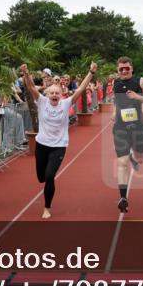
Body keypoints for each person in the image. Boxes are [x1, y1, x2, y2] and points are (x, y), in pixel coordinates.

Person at [19, 61, 97, 219]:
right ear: (48, 95)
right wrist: (26, 73)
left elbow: (80, 89)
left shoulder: (66, 103)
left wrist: (91, 72)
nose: (54, 95)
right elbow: (32, 87)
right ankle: (45, 183)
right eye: (52, 93)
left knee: (49, 176)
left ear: (61, 95)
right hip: (42, 145)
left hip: (59, 146)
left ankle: (47, 207)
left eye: (57, 93)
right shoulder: (41, 101)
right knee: (41, 177)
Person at [110, 56, 143, 213]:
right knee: (122, 163)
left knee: (139, 158)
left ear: (131, 68)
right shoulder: (115, 83)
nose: (124, 71)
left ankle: (133, 158)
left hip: (138, 128)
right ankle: (123, 198)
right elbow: (116, 101)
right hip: (120, 128)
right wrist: (114, 112)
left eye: (127, 68)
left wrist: (137, 96)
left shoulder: (140, 81)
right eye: (121, 68)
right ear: (118, 70)